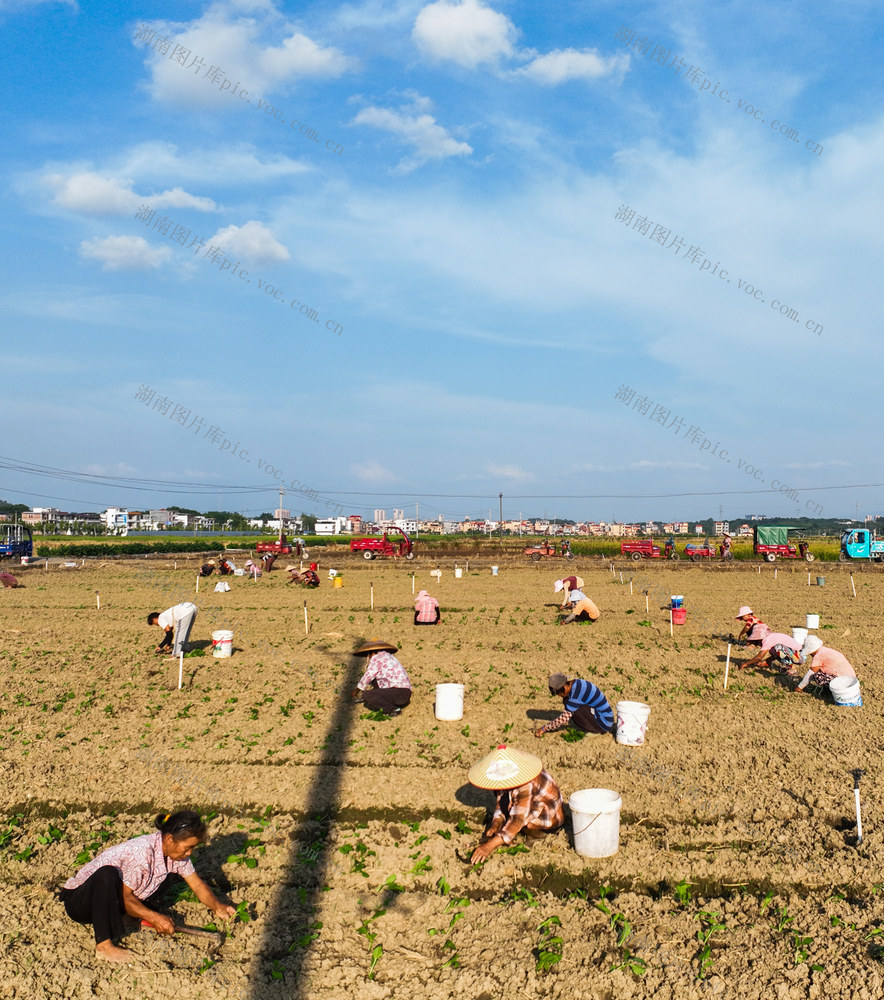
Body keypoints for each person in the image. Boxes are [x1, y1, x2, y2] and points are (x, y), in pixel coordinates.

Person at [59, 810, 236, 964]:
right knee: (107, 874)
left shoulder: (176, 856)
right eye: (187, 848)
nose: (189, 853)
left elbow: (197, 884)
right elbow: (127, 898)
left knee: (166, 875)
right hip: (82, 901)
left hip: (111, 900)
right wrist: (155, 917)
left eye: (193, 848)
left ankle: (125, 918)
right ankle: (103, 946)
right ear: (169, 839)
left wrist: (217, 906)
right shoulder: (142, 853)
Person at [467, 745, 564, 863]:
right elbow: (501, 801)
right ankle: (508, 833)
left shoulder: (524, 783)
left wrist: (489, 846)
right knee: (508, 815)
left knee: (519, 824)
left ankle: (537, 835)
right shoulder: (502, 778)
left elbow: (518, 819)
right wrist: (496, 823)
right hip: (529, 804)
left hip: (549, 816)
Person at [534, 673, 614, 737]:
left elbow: (563, 719)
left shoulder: (576, 695)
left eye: (559, 694)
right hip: (603, 716)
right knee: (568, 703)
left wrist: (544, 728)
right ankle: (590, 726)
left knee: (573, 709)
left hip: (603, 722)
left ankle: (594, 730)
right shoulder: (575, 683)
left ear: (565, 687)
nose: (560, 696)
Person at [352, 640, 412, 716]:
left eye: (368, 655)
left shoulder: (376, 658)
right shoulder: (389, 657)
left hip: (398, 693)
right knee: (375, 680)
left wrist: (357, 690)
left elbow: (368, 675)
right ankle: (390, 703)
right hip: (405, 693)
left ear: (371, 653)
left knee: (367, 695)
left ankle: (393, 709)